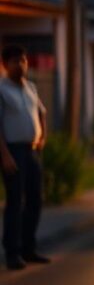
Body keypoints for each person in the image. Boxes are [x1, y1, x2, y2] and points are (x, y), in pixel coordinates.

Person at [0, 45, 48, 270]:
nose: (20, 65)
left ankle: (29, 248)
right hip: (13, 150)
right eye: (15, 61)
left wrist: (42, 137)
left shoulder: (30, 87)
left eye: (23, 61)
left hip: (31, 150)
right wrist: (5, 156)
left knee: (35, 199)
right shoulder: (2, 90)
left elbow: (41, 112)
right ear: (5, 65)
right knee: (15, 201)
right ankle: (12, 252)